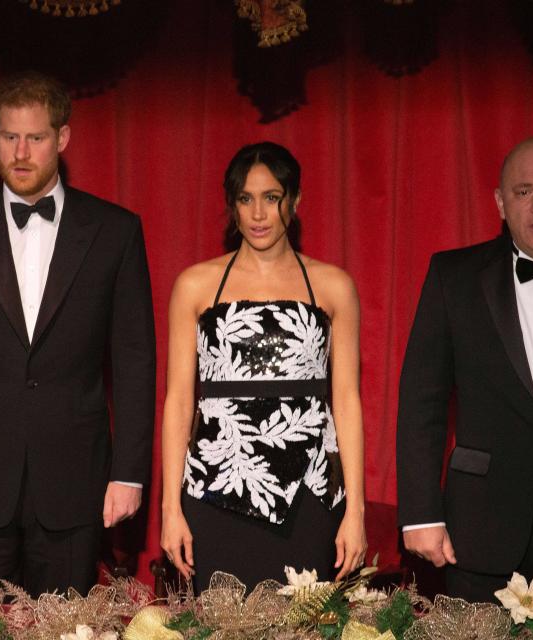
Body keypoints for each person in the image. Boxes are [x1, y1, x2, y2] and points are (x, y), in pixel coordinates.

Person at [0, 71, 156, 602]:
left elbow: (135, 361)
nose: (21, 152)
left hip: (76, 479)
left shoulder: (115, 231)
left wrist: (129, 473)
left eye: (36, 138)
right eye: (10, 137)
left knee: (67, 631)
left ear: (62, 139)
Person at [397, 137, 533, 607]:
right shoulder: (451, 276)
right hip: (478, 535)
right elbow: (422, 402)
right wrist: (419, 515)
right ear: (500, 201)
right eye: (523, 192)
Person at [160, 142, 367, 591]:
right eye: (245, 199)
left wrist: (356, 512)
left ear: (295, 201)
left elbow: (347, 401)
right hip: (213, 487)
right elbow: (178, 400)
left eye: (271, 198)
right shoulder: (195, 285)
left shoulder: (334, 286)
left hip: (310, 494)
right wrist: (170, 509)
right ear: (231, 205)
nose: (258, 213)